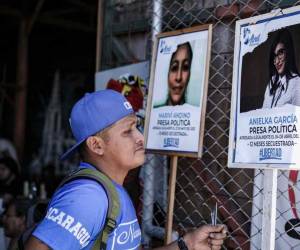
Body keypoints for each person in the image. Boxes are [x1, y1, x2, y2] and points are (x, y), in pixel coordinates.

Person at [24, 89, 227, 250]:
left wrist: (187, 244)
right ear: (96, 145)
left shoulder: (114, 190)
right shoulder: (88, 198)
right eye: (127, 131)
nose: (140, 138)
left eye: (137, 127)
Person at [262, 28, 300, 108]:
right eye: (274, 56)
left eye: (280, 53)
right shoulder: (271, 83)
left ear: (289, 53)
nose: (276, 62)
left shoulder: (297, 83)